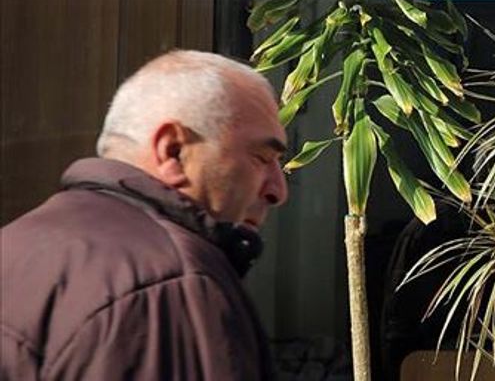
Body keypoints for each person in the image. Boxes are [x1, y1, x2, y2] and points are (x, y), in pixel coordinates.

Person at [0, 50, 290, 380]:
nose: (278, 191)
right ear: (173, 151)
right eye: (261, 158)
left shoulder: (13, 245)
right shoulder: (172, 287)